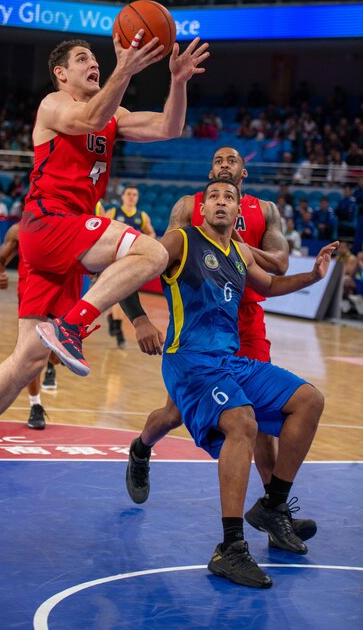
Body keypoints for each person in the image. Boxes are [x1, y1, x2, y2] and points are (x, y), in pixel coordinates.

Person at [0, 31, 210, 503]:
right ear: (61, 73)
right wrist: (125, 68)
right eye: (83, 59)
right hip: (50, 224)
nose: (94, 64)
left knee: (27, 358)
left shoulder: (114, 115)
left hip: (63, 242)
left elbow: (169, 127)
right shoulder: (54, 106)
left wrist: (178, 82)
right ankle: (74, 327)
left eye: (96, 60)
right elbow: (88, 116)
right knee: (155, 253)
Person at [121, 178, 336, 588]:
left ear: (239, 212)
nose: (221, 202)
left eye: (229, 197)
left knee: (309, 399)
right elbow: (127, 269)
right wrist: (139, 319)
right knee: (242, 423)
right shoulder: (180, 241)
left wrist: (314, 275)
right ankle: (230, 548)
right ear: (201, 209)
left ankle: (272, 506)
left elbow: (270, 285)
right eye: (213, 197)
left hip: (228, 362)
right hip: (188, 361)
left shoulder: (238, 251)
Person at [124, 147, 297, 512]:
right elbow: (170, 258)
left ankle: (274, 508)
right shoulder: (189, 205)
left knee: (262, 418)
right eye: (218, 161)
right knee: (173, 415)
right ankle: (141, 448)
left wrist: (233, 246)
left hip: (246, 321)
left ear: (243, 174)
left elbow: (280, 264)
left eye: (231, 161)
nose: (224, 165)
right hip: (200, 317)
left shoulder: (265, 209)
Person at [0, 222, 60, 428]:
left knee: (55, 355)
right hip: (30, 299)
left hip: (60, 296)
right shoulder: (18, 229)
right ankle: (35, 406)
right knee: (32, 354)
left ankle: (52, 364)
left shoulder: (66, 225)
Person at [105, 184, 156, 347]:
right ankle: (118, 330)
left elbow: (151, 233)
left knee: (121, 293)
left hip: (132, 259)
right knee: (118, 292)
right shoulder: (113, 213)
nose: (132, 197)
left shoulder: (142, 216)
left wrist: (144, 241)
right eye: (129, 193)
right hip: (114, 258)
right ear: (123, 196)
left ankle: (114, 321)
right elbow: (103, 232)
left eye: (135, 194)